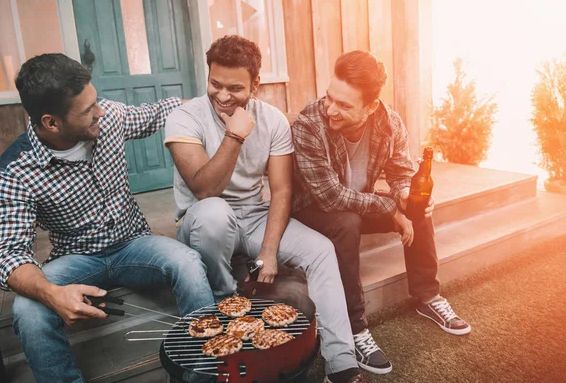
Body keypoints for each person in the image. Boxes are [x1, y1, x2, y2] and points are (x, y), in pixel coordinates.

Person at [0, 53, 215, 383]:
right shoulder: (14, 171)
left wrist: (215, 101)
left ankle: (203, 375)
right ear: (51, 122)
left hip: (134, 245)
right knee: (27, 310)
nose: (101, 111)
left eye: (97, 101)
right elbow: (9, 255)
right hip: (75, 260)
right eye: (88, 110)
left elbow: (157, 113)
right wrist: (54, 294)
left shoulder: (107, 117)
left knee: (189, 263)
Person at [164, 36, 368, 383]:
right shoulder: (184, 118)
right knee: (215, 212)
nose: (223, 95)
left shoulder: (272, 120)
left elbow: (282, 189)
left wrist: (270, 252)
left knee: (321, 250)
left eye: (235, 88)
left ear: (255, 85)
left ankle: (341, 360)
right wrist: (235, 135)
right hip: (203, 219)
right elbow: (204, 189)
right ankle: (230, 311)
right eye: (215, 84)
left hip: (253, 216)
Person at [291, 50, 471, 375]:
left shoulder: (389, 122)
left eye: (344, 105)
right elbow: (329, 197)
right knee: (346, 221)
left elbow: (402, 171)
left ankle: (427, 296)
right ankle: (356, 327)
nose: (331, 109)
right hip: (312, 211)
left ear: (371, 106)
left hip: (358, 202)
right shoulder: (308, 124)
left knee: (418, 203)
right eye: (330, 98)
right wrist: (391, 209)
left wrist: (404, 197)